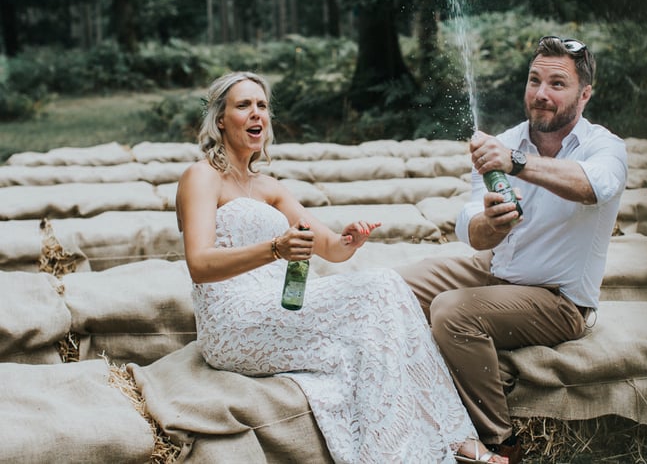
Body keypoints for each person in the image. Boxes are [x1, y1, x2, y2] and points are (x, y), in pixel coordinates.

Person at [175, 71, 508, 464]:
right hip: (233, 320)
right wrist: (275, 249)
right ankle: (418, 450)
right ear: (220, 119)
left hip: (278, 307)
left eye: (262, 105)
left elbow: (330, 248)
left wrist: (349, 240)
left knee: (386, 294)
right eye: (243, 105)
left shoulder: (269, 187)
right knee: (377, 289)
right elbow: (200, 265)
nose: (256, 114)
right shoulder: (202, 176)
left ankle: (447, 439)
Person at [397, 36, 628, 462]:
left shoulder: (604, 147)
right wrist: (491, 224)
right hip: (495, 272)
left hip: (558, 300)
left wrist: (516, 164)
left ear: (585, 95)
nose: (541, 94)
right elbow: (473, 231)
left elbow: (594, 186)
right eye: (534, 80)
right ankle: (397, 402)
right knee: (391, 287)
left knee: (451, 312)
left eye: (557, 84)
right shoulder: (503, 143)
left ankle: (501, 442)